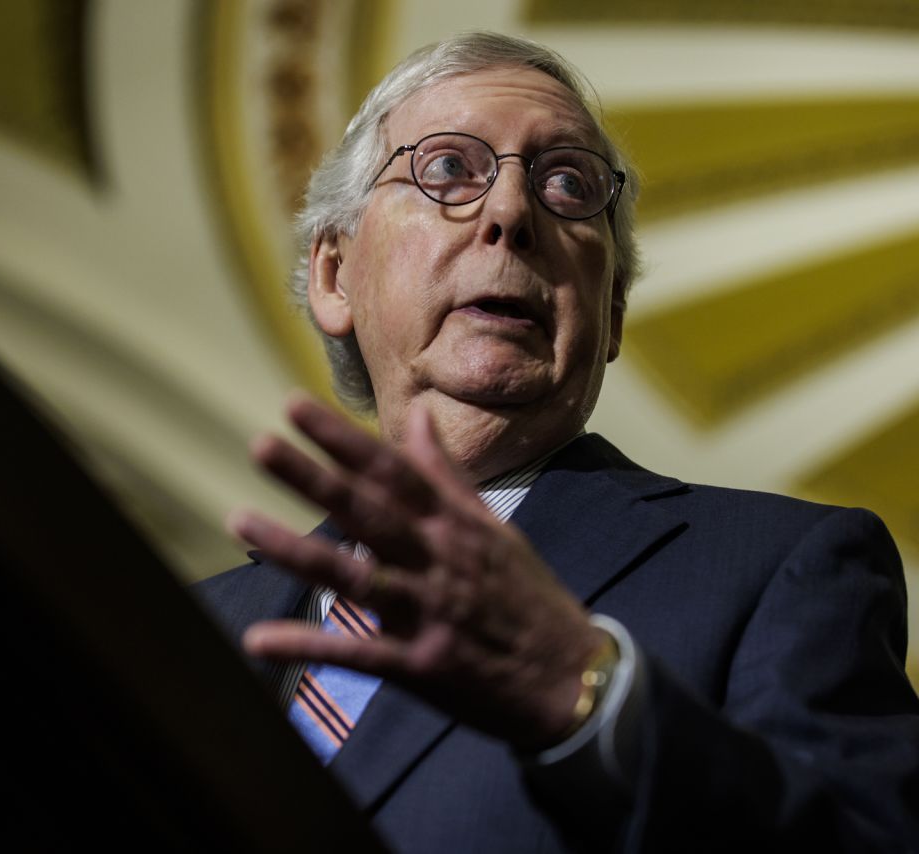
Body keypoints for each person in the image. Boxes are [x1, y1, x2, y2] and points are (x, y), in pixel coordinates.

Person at [195, 32, 919, 852]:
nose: (509, 213)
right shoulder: (189, 624)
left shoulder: (780, 569)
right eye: (447, 169)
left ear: (609, 313)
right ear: (334, 273)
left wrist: (590, 701)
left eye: (567, 184)